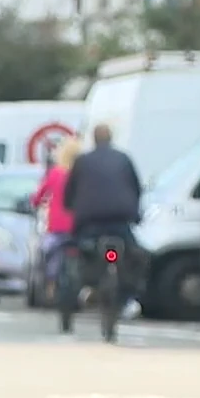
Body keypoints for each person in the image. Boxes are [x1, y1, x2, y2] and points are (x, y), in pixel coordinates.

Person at [63, 124, 145, 319]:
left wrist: (71, 207)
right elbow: (136, 188)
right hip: (120, 221)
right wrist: (136, 214)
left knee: (78, 253)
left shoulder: (82, 161)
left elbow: (70, 192)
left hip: (90, 223)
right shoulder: (124, 159)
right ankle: (129, 295)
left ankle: (82, 290)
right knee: (135, 255)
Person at [32, 137, 81, 314]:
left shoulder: (55, 173)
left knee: (48, 254)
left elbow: (39, 196)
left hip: (57, 226)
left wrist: (35, 202)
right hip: (78, 226)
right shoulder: (81, 174)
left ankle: (50, 287)